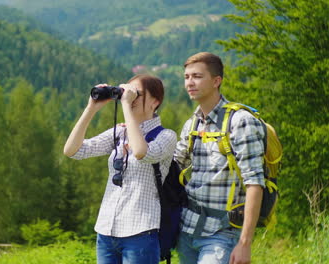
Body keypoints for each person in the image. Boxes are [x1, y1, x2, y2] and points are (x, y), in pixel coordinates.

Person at [64, 74, 177, 264]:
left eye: (136, 94)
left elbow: (142, 152)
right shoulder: (120, 132)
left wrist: (125, 105)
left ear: (155, 102)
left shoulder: (166, 136)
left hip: (140, 232)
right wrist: (91, 108)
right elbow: (73, 150)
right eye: (127, 92)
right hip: (106, 230)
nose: (130, 97)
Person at [174, 52, 265, 264]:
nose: (190, 83)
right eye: (186, 77)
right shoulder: (193, 124)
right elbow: (173, 167)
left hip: (222, 234)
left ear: (217, 81)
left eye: (197, 76)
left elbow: (254, 183)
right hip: (187, 230)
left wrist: (245, 244)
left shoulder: (241, 122)